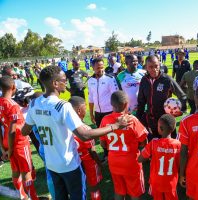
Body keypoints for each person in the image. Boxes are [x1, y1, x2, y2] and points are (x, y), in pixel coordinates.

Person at [21, 65, 130, 200]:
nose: (65, 82)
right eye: (63, 79)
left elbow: (25, 131)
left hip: (51, 163)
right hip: (68, 164)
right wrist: (115, 125)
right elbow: (84, 135)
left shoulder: (34, 104)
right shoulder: (62, 106)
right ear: (55, 83)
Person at [100, 91, 148, 200]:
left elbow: (102, 143)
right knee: (135, 192)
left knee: (119, 191)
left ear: (112, 104)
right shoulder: (132, 120)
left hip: (114, 162)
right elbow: (143, 141)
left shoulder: (105, 120)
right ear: (126, 104)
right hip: (131, 163)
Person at [0, 76, 39, 200]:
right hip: (18, 143)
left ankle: (22, 196)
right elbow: (13, 130)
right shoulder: (13, 106)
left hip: (7, 141)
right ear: (13, 87)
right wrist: (10, 150)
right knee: (26, 172)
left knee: (15, 171)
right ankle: (33, 197)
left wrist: (3, 148)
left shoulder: (0, 102)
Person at [137, 55, 186, 140]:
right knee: (153, 146)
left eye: (156, 66)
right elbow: (141, 101)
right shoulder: (144, 80)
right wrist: (138, 118)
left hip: (166, 121)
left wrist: (181, 110)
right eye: (150, 67)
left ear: (159, 65)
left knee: (170, 147)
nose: (154, 69)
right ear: (146, 67)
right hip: (151, 121)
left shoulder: (167, 79)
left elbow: (182, 96)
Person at [138, 114, 180, 200]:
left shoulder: (153, 143)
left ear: (160, 129)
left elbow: (140, 159)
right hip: (171, 182)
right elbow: (182, 161)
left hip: (156, 182)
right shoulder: (178, 144)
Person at [69, 96, 103, 200]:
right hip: (88, 162)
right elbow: (92, 151)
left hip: (72, 163)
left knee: (76, 188)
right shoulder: (85, 129)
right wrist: (99, 163)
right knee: (94, 187)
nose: (86, 109)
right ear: (79, 110)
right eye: (85, 107)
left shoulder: (64, 127)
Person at [88, 57, 119, 128]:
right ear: (93, 68)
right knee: (101, 135)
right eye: (98, 68)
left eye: (102, 67)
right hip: (97, 113)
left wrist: (116, 112)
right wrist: (91, 113)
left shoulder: (110, 79)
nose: (101, 70)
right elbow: (91, 98)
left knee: (111, 134)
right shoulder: (90, 80)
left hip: (110, 112)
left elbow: (116, 96)